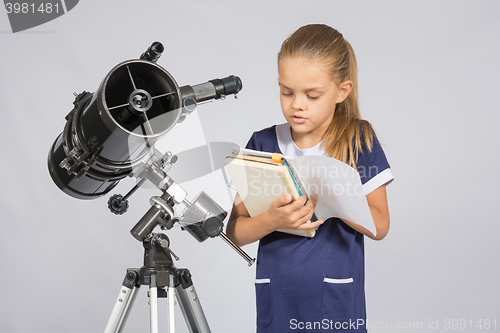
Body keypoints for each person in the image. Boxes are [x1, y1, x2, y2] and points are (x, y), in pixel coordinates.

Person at [226, 24, 394, 332]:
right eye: (286, 92)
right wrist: (272, 220)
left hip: (335, 301)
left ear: (342, 91)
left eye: (312, 95)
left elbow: (380, 226)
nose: (296, 104)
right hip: (277, 300)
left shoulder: (359, 140)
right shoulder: (262, 143)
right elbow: (234, 232)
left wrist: (337, 199)